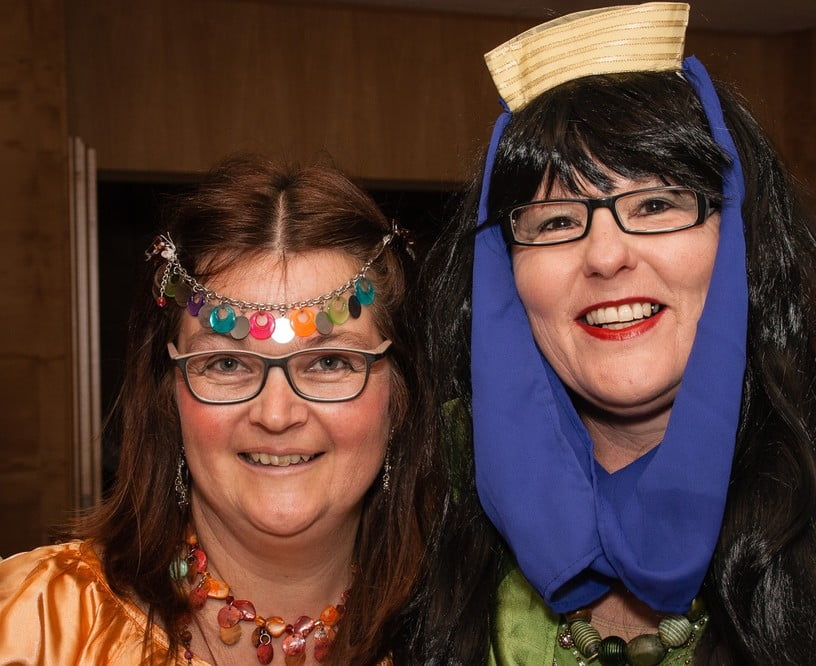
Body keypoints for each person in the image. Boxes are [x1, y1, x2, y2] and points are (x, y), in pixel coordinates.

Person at [422, 3, 816, 664]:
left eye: (656, 204)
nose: (605, 255)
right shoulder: (431, 501)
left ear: (738, 240)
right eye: (556, 221)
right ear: (505, 272)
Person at [0, 156, 493, 665]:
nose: (276, 415)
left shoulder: (485, 638)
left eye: (328, 362)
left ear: (401, 399)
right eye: (227, 363)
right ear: (169, 399)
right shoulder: (33, 627)